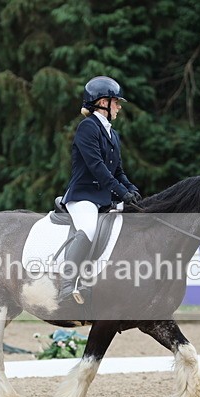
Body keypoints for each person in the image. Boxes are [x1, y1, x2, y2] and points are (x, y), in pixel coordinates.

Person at [58, 75, 142, 305]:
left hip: (103, 198)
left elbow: (117, 172)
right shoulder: (88, 128)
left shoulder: (112, 134)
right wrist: (121, 193)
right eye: (116, 102)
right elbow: (97, 168)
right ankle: (66, 285)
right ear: (102, 102)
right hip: (83, 196)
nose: (119, 106)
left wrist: (132, 190)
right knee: (88, 229)